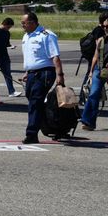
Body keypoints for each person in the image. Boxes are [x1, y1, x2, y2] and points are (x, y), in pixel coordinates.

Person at [20, 11, 64, 144]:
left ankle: (31, 134)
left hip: (44, 73)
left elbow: (55, 57)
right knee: (35, 102)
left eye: (24, 23)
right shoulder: (26, 36)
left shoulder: (46, 35)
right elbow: (31, 56)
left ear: (32, 22)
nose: (22, 25)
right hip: (32, 73)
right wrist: (28, 72)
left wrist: (60, 75)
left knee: (35, 102)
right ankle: (55, 125)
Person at [79, 15, 108, 131]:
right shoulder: (101, 40)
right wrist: (91, 72)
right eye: (104, 26)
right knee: (93, 94)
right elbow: (95, 56)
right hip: (99, 69)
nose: (105, 29)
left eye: (107, 27)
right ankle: (88, 121)